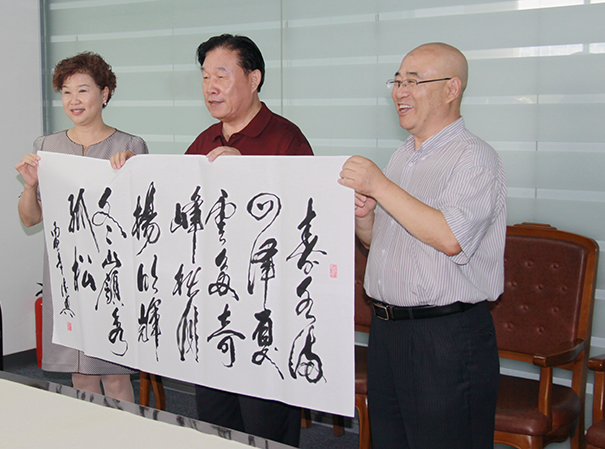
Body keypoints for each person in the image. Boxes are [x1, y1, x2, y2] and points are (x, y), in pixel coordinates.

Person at [338, 43, 506, 448]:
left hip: (444, 337)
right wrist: (365, 218)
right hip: (388, 332)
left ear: (452, 89)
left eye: (413, 82)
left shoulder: (474, 158)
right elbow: (383, 245)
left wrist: (380, 186)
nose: (400, 92)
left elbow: (450, 238)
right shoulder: (402, 157)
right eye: (397, 81)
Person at [187, 33, 313, 447]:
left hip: (266, 312)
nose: (210, 87)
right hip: (214, 305)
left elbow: (305, 226)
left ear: (254, 78)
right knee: (215, 422)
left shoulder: (286, 139)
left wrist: (252, 174)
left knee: (264, 428)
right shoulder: (204, 142)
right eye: (205, 76)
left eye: (221, 75)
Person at [15, 52, 148, 402]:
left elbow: (144, 221)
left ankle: (126, 431)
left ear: (104, 93)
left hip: (110, 274)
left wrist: (133, 173)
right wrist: (29, 185)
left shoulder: (130, 146)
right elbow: (30, 218)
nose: (73, 100)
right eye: (66, 91)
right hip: (66, 275)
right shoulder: (46, 147)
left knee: (115, 376)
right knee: (80, 375)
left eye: (83, 90)